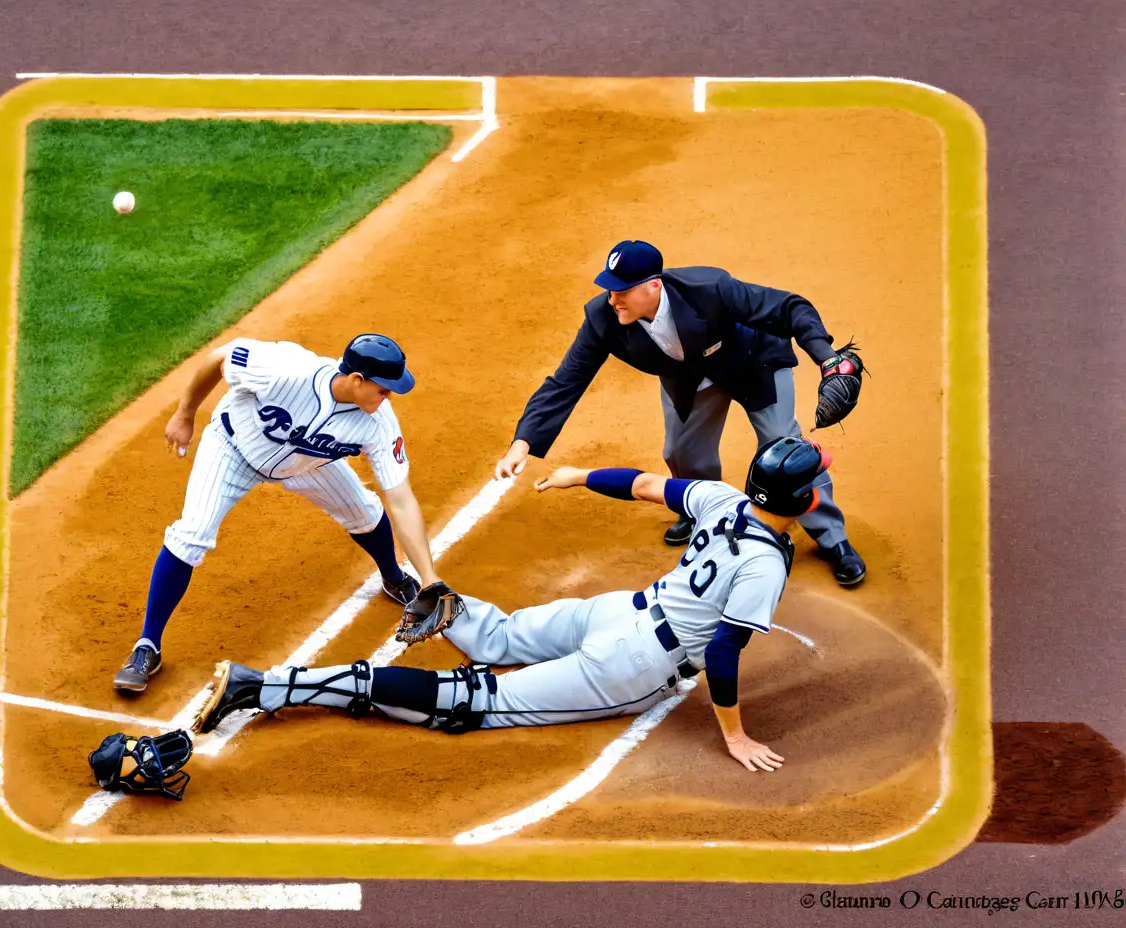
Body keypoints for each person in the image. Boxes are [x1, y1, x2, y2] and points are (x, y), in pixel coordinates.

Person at [192, 435, 833, 773]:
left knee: (497, 637)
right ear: (803, 503)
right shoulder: (765, 563)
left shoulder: (721, 497)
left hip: (615, 611)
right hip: (631, 666)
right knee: (480, 702)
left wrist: (578, 475)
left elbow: (641, 485)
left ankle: (451, 606)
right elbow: (723, 652)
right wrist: (735, 735)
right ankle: (271, 687)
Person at [492, 239, 866, 586]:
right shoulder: (602, 319)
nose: (612, 299)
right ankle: (699, 508)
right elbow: (566, 380)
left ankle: (833, 539)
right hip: (688, 379)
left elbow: (788, 307)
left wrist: (827, 358)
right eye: (610, 289)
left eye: (621, 291)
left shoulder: (709, 289)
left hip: (752, 364)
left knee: (786, 454)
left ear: (653, 286)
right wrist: (523, 442)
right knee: (682, 454)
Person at [113, 333, 448, 693]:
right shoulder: (284, 370)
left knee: (364, 512)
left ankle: (394, 576)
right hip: (232, 449)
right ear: (357, 380)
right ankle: (147, 646)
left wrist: (430, 580)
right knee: (191, 535)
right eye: (384, 390)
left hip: (307, 466)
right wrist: (185, 414)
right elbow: (218, 357)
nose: (389, 399)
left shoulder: (379, 424)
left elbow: (401, 500)